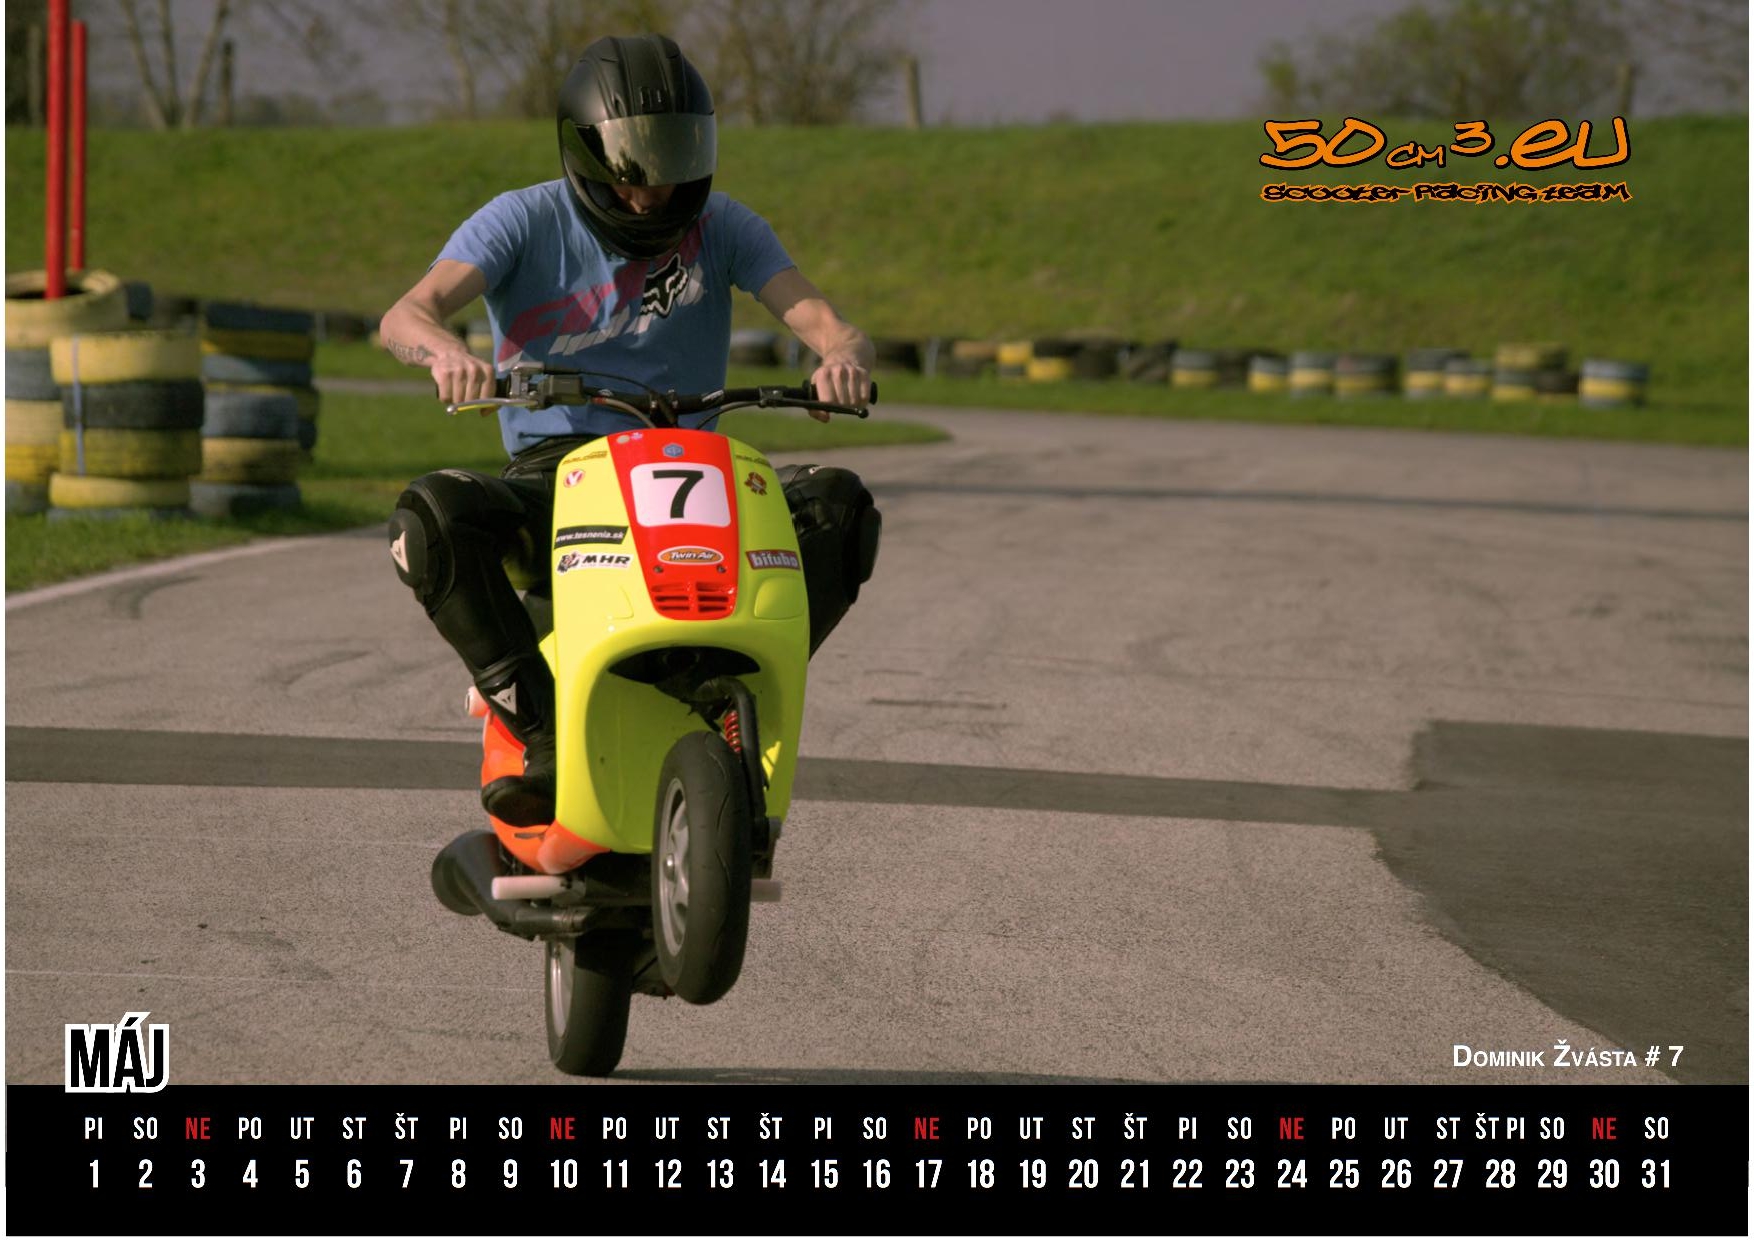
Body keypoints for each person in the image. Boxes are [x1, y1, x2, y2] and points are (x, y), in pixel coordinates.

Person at [379, 33, 881, 829]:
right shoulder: (521, 219)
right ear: (583, 150)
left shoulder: (725, 225)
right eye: (629, 165)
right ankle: (541, 731)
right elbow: (406, 315)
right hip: (557, 474)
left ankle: (729, 691)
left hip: (697, 470)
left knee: (840, 510)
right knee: (430, 518)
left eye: (671, 158)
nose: (651, 191)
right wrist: (444, 352)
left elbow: (830, 325)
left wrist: (841, 360)